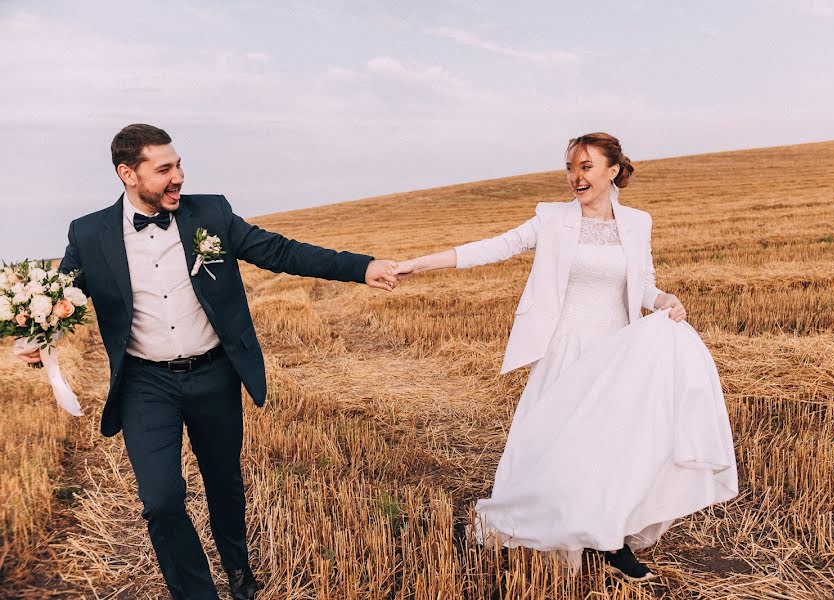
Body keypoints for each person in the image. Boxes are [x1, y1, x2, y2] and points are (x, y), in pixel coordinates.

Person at [15, 124, 399, 599]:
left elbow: (281, 252)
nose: (178, 177)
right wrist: (36, 340)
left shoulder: (211, 212)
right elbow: (61, 299)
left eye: (178, 164)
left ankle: (238, 567)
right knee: (160, 502)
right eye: (164, 169)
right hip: (144, 384)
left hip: (214, 373)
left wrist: (361, 267)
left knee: (223, 481)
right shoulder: (89, 233)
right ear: (127, 175)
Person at [394, 132, 739, 582]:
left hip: (618, 350)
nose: (576, 177)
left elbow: (644, 283)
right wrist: (417, 264)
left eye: (586, 167)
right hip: (566, 349)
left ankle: (611, 539)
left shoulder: (638, 222)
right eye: (571, 168)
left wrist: (666, 300)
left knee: (613, 445)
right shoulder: (552, 219)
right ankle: (533, 521)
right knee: (553, 444)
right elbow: (494, 247)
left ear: (613, 170)